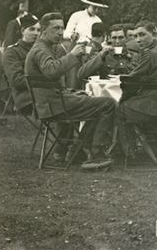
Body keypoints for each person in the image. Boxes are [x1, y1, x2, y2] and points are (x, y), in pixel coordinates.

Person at [25, 12, 116, 169]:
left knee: (94, 101)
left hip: (52, 102)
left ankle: (77, 150)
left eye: (62, 28)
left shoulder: (45, 47)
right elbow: (51, 71)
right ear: (44, 30)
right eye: (56, 28)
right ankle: (95, 154)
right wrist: (73, 55)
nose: (61, 32)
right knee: (108, 104)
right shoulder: (41, 50)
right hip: (54, 106)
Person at [115, 20, 157, 160]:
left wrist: (124, 98)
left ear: (154, 33)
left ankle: (128, 153)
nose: (138, 39)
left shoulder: (150, 54)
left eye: (142, 35)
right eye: (135, 36)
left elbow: (130, 80)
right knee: (137, 104)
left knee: (118, 109)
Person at [2, 13, 40, 114]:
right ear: (23, 31)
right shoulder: (12, 52)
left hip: (45, 95)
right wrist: (44, 79)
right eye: (32, 29)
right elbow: (17, 81)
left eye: (38, 30)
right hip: (27, 99)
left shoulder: (41, 50)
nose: (36, 33)